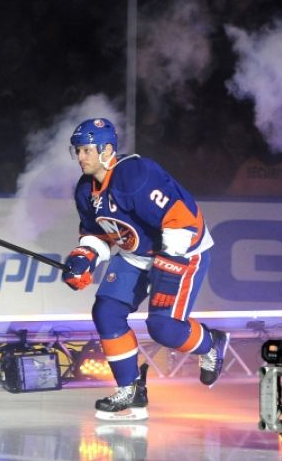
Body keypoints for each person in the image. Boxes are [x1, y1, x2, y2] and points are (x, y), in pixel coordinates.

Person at [62, 117, 230, 421]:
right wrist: (83, 257)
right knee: (106, 312)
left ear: (106, 149)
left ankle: (211, 343)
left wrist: (172, 258)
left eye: (86, 150)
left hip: (182, 250)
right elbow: (99, 233)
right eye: (77, 151)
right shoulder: (85, 189)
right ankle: (131, 391)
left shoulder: (134, 174)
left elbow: (181, 215)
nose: (80, 157)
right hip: (136, 255)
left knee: (163, 328)